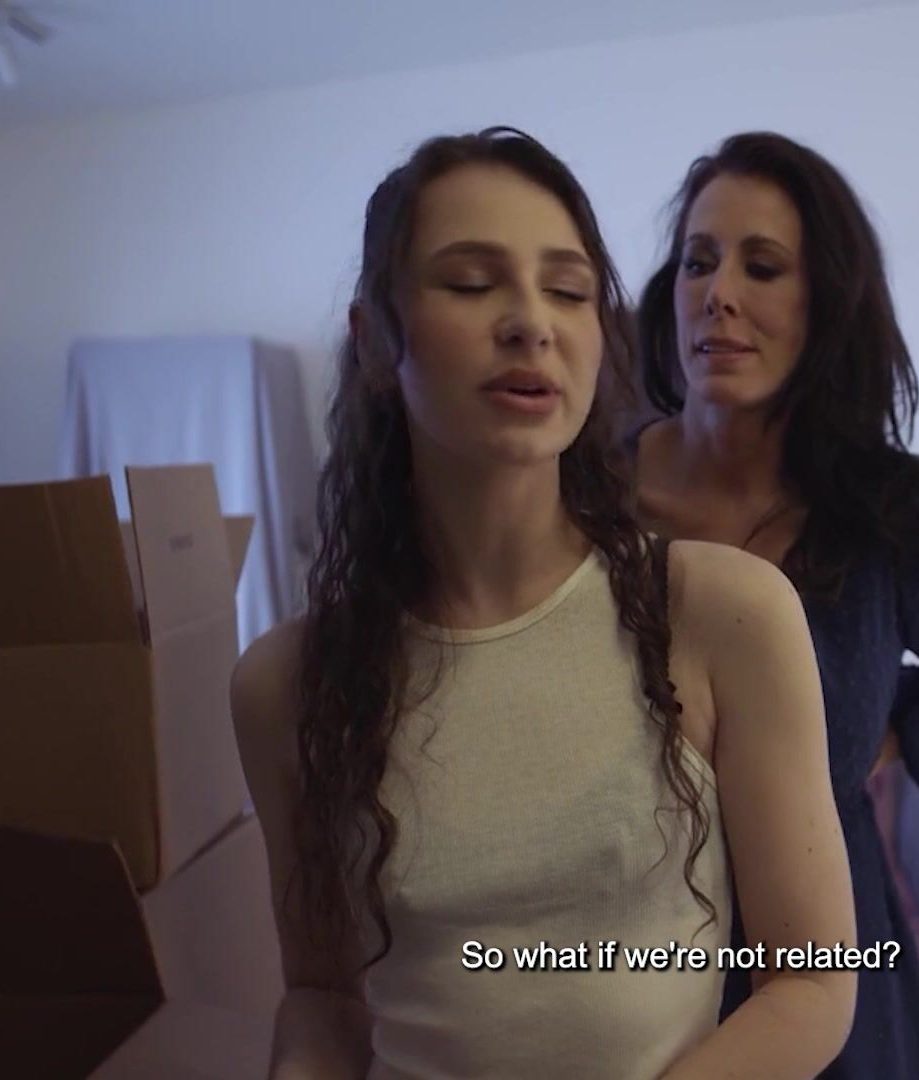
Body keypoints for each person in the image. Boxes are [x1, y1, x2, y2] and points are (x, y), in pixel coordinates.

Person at [229, 128, 856, 1080]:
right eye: (471, 283)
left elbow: (813, 983)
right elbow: (322, 997)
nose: (531, 322)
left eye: (567, 291)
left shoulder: (722, 613)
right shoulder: (287, 685)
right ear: (375, 339)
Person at [625, 132, 919, 1078]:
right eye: (698, 260)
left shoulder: (896, 519)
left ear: (827, 305)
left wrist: (875, 738)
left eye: (763, 266)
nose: (718, 292)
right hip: (618, 957)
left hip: (833, 974)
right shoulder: (587, 501)